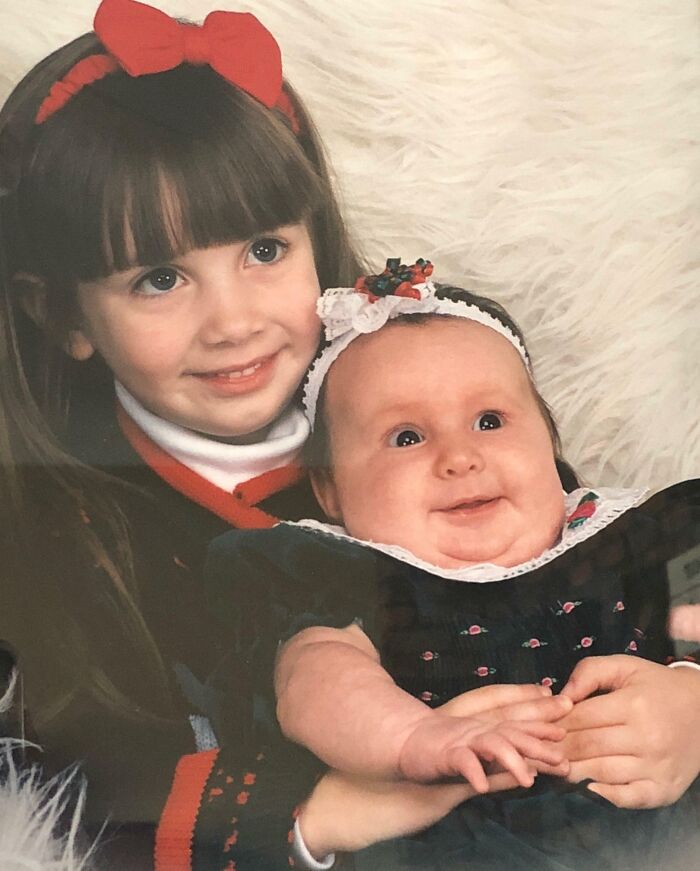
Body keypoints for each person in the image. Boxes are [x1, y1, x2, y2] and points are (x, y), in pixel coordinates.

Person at [0, 2, 577, 868]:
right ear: (64, 313)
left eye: (264, 251)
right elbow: (78, 778)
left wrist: (679, 704)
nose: (232, 323)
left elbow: (595, 555)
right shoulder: (64, 530)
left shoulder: (436, 380)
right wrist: (330, 810)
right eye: (160, 279)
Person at [205, 260, 700, 869]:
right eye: (406, 437)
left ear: (550, 441)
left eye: (489, 421)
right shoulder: (347, 573)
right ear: (331, 493)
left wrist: (693, 695)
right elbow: (315, 681)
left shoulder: (641, 537)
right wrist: (413, 739)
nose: (460, 457)